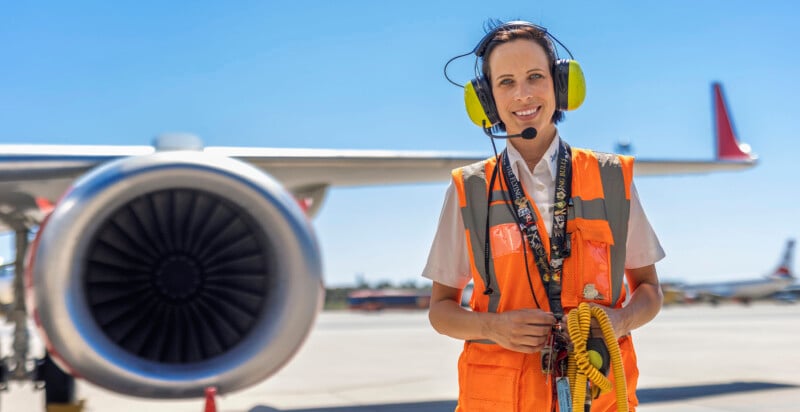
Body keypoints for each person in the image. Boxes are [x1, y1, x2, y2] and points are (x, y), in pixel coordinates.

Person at [423, 20, 664, 412]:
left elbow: (650, 291)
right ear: (486, 101)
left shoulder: (611, 179)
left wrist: (618, 321)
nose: (523, 94)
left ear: (560, 86)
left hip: (596, 397)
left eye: (535, 76)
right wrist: (493, 327)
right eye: (505, 82)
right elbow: (441, 310)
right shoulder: (469, 189)